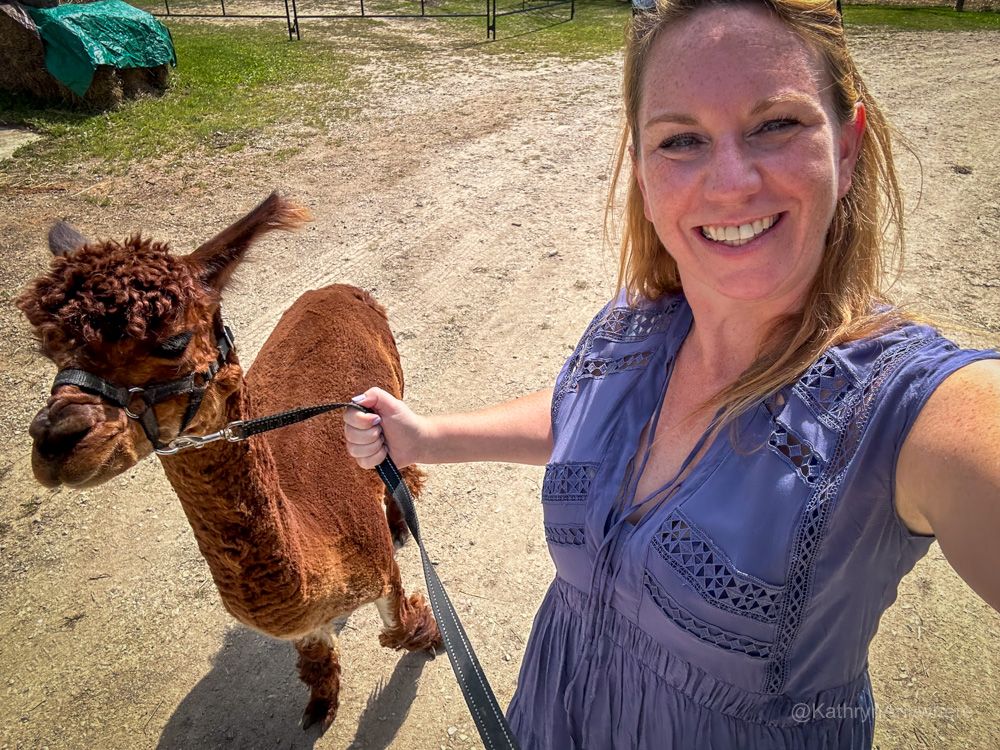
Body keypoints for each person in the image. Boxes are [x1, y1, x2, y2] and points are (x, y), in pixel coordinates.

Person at [344, 0, 1000, 746]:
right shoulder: (637, 324)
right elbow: (582, 418)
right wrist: (424, 437)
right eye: (681, 139)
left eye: (776, 124)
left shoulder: (905, 409)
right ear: (645, 178)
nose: (729, 180)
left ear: (847, 149)